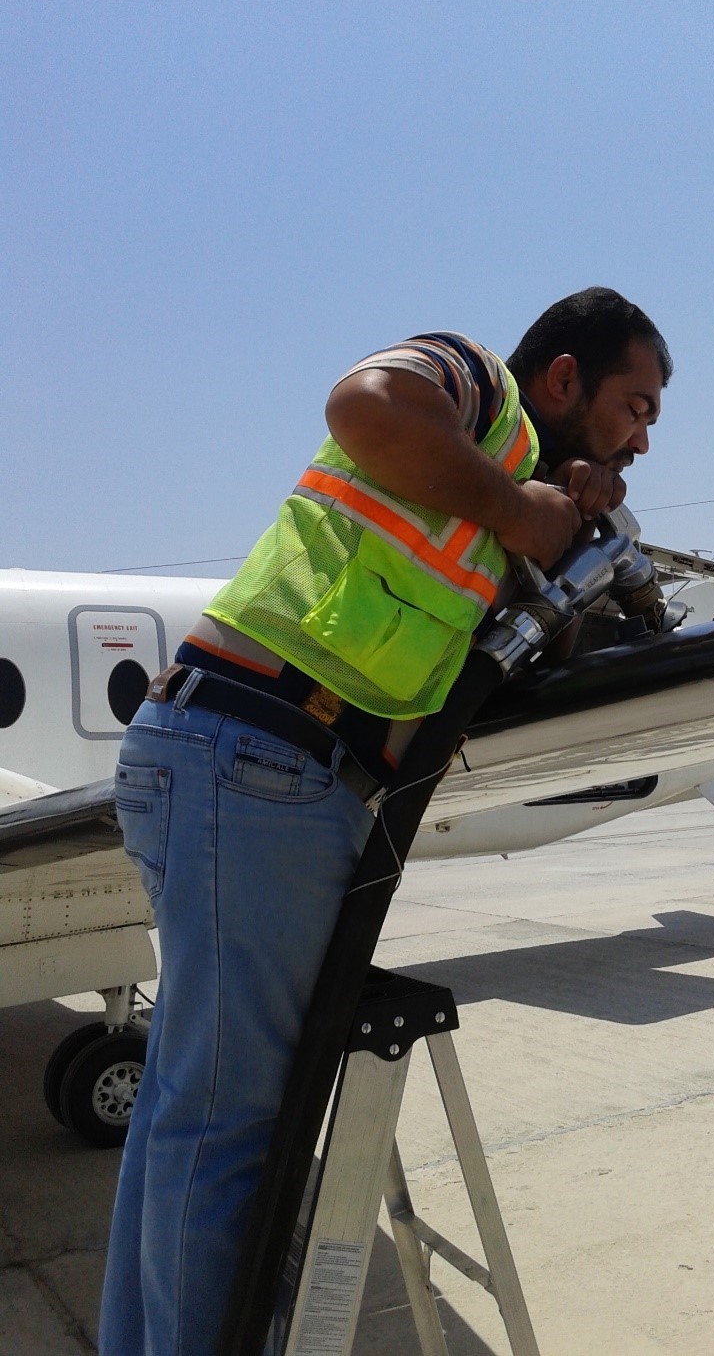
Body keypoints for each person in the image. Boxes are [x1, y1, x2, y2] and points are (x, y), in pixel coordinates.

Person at [98, 286, 671, 1354]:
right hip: (263, 752)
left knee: (192, 1113)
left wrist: (547, 517)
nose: (642, 436)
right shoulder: (475, 381)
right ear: (563, 379)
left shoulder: (502, 489)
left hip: (251, 764)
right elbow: (363, 406)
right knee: (225, 1125)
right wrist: (522, 509)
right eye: (632, 405)